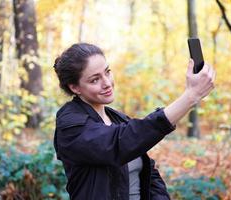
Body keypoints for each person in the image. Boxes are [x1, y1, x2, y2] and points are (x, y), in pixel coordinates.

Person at [53, 43, 215, 200]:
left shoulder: (118, 119)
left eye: (107, 72)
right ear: (75, 87)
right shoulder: (69, 124)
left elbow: (150, 175)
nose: (107, 83)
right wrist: (190, 97)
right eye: (95, 80)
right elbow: (119, 143)